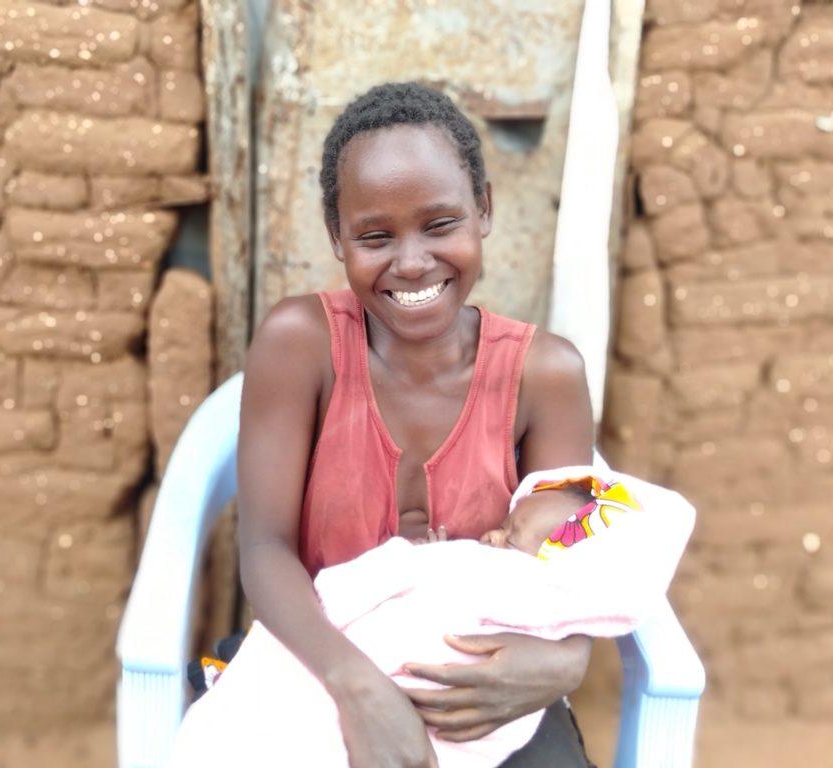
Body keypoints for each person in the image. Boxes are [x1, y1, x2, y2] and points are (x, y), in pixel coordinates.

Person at [238, 81, 597, 767]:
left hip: (480, 684)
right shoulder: (298, 344)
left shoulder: (544, 376)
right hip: (316, 662)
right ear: (337, 237)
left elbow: (574, 562)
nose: (411, 263)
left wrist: (565, 664)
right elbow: (263, 549)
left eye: (440, 225)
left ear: (483, 210)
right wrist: (357, 690)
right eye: (375, 236)